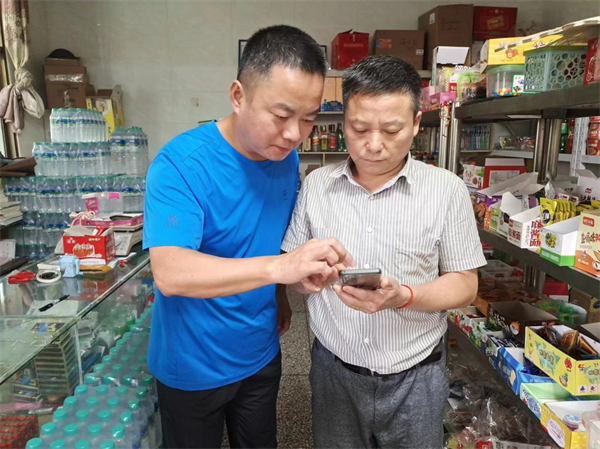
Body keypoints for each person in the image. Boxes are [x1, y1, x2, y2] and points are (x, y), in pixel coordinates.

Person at [143, 25, 352, 449]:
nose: (295, 134)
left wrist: (280, 292)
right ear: (238, 96)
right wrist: (280, 268)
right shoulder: (181, 164)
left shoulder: (285, 157)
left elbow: (264, 235)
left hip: (260, 351)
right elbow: (171, 273)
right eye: (281, 115)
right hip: (194, 361)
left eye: (308, 118)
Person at [281, 55, 487, 449]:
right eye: (359, 129)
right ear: (343, 122)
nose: (374, 145)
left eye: (392, 130)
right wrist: (307, 279)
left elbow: (465, 285)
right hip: (334, 371)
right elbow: (295, 271)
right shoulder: (317, 185)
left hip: (416, 377)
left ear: (416, 123)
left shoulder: (446, 190)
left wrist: (404, 296)